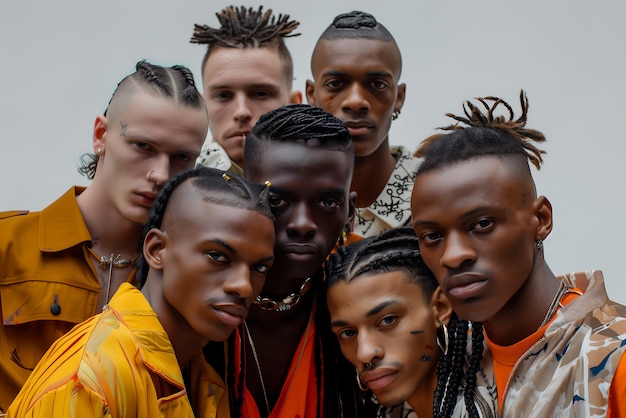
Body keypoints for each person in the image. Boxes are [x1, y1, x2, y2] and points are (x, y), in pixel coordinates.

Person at [0, 60, 209, 412]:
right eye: (143, 146)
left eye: (181, 157)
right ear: (101, 135)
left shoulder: (185, 275)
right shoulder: (7, 243)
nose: (159, 173)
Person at [410, 91, 626, 417]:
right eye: (433, 236)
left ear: (540, 220)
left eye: (482, 224)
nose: (452, 256)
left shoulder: (614, 358)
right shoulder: (444, 367)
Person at [7, 167, 276, 417]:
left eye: (260, 267)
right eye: (217, 256)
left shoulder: (206, 381)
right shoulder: (92, 378)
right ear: (156, 250)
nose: (243, 286)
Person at [204, 104, 367, 417]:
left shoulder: (368, 289)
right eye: (277, 200)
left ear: (349, 211)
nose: (303, 223)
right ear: (243, 195)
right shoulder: (198, 287)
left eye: (327, 202)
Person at [324, 227, 495, 418]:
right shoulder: (389, 413)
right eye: (348, 333)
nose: (364, 354)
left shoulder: (513, 398)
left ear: (440, 307)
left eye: (388, 320)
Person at [306, 10, 420, 238]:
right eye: (336, 83)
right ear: (311, 94)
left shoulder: (434, 190)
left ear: (399, 97)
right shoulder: (285, 194)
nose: (356, 101)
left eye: (377, 84)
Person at [191, 5, 302, 174]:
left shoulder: (329, 179)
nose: (242, 112)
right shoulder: (172, 186)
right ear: (201, 106)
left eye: (260, 94)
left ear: (294, 105)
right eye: (223, 95)